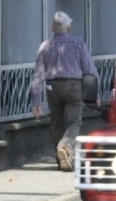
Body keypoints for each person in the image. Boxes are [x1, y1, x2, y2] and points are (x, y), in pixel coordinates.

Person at [30, 11, 96, 171]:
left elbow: (38, 75)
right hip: (74, 87)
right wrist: (95, 94)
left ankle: (61, 160)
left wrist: (36, 101)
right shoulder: (78, 43)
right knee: (74, 121)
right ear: (69, 27)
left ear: (53, 27)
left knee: (56, 124)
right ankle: (65, 147)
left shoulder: (45, 46)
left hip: (52, 88)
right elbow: (90, 70)